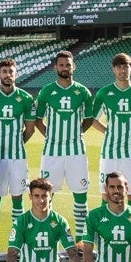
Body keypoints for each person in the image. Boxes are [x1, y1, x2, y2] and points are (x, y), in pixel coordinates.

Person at [33, 50, 93, 241]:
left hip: (76, 152)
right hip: (52, 153)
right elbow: (38, 120)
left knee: (80, 194)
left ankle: (82, 239)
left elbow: (89, 119)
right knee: (47, 194)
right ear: (55, 68)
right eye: (61, 65)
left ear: (73, 66)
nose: (65, 68)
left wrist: (76, 134)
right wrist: (51, 136)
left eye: (68, 64)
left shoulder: (82, 92)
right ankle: (49, 235)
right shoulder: (47, 91)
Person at [0, 58, 36, 236]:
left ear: (15, 74)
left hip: (18, 157)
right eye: (4, 72)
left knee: (18, 197)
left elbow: (30, 129)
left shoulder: (25, 98)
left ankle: (18, 236)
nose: (8, 75)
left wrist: (16, 144)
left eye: (11, 72)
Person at [90, 53, 131, 208]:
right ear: (113, 69)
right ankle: (105, 228)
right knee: (106, 193)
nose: (122, 70)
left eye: (125, 66)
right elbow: (92, 119)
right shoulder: (104, 93)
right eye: (119, 67)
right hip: (109, 152)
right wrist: (107, 131)